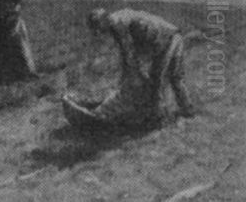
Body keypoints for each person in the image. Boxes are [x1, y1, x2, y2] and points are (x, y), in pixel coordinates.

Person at [63, 8, 195, 129]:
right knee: (157, 79)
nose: (99, 32)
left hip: (171, 40)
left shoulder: (119, 24)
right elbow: (127, 55)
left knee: (162, 80)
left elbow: (130, 53)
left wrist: (132, 77)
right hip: (160, 43)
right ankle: (162, 113)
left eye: (98, 27)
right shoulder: (114, 25)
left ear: (104, 20)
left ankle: (162, 118)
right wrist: (129, 76)